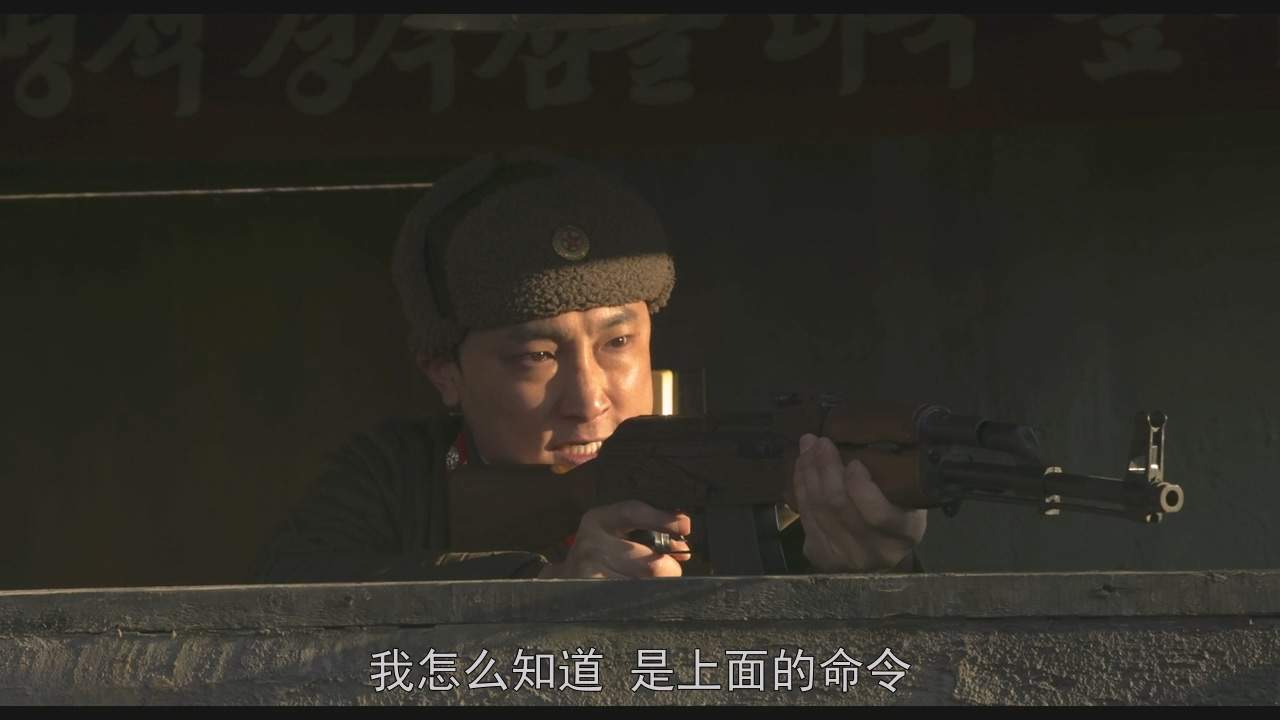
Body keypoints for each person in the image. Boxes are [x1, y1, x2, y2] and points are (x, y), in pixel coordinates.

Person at [254, 151, 926, 583]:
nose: (589, 398)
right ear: (444, 373)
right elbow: (286, 598)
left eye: (617, 342)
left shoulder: (737, 476)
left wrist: (868, 574)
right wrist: (543, 585)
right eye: (537, 356)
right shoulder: (397, 480)